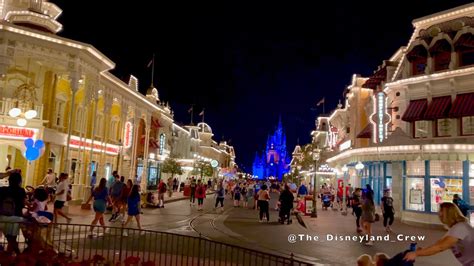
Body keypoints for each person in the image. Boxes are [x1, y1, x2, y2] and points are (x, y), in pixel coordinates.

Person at [404, 202, 474, 265]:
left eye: (441, 211)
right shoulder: (455, 228)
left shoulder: (460, 227)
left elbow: (440, 247)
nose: (439, 214)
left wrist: (416, 253)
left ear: (448, 214)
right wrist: (421, 251)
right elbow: (439, 243)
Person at [0, 172, 26, 254]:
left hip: (3, 217)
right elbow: (22, 204)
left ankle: (11, 255)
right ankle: (17, 255)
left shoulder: (2, 190)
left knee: (9, 239)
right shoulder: (21, 191)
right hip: (16, 218)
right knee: (12, 239)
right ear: (19, 181)